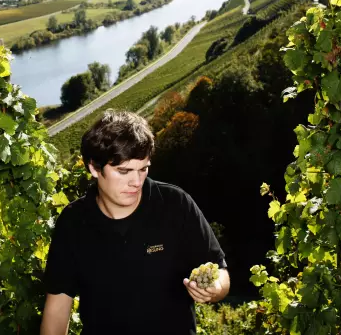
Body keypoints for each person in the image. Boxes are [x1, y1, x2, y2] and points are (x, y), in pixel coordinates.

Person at [40, 110, 230, 335]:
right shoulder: (72, 223)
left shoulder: (176, 204)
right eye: (124, 171)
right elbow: (57, 310)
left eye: (143, 169)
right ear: (94, 167)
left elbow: (221, 272)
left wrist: (215, 289)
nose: (136, 181)